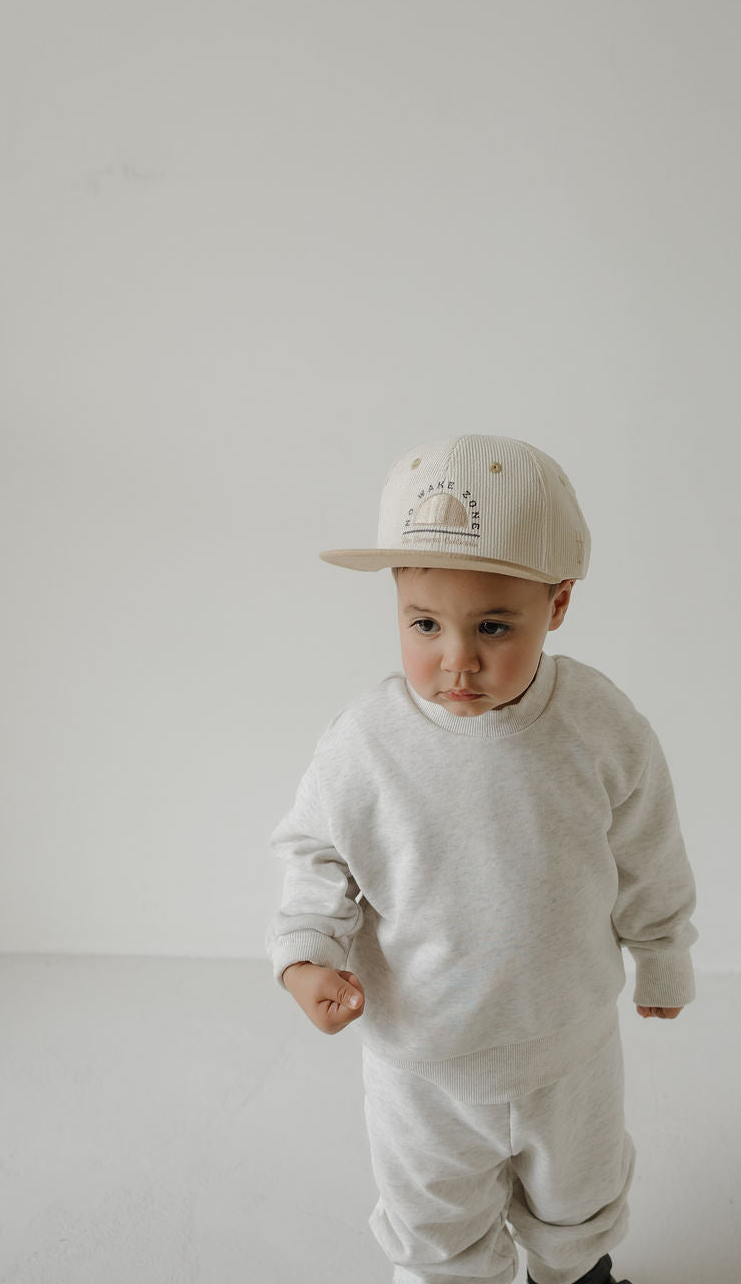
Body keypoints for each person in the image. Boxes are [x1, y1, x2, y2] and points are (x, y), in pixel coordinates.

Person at [267, 433, 697, 1284]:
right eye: (423, 624)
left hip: (568, 1046)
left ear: (558, 604)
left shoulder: (598, 726)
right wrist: (306, 958)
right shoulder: (366, 746)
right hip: (421, 1061)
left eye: (494, 626)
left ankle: (575, 1276)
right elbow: (314, 855)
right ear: (396, 602)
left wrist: (663, 958)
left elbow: (649, 847)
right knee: (435, 1217)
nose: (455, 659)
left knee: (579, 1198)